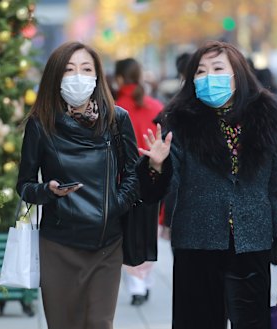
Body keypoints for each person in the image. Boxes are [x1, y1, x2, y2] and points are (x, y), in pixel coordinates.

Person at [135, 41, 277, 329]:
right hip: (197, 244)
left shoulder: (264, 119)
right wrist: (157, 166)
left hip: (251, 243)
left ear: (237, 74)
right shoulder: (180, 123)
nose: (209, 77)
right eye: (200, 72)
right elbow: (161, 188)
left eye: (217, 69)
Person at [16, 41, 139, 329]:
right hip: (59, 244)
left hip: (106, 243)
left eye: (86, 69)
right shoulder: (40, 123)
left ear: (97, 76)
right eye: (69, 70)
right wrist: (48, 191)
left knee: (99, 323)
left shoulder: (116, 119)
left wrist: (114, 205)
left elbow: (133, 175)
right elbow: (24, 185)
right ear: (55, 77)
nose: (78, 77)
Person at [114, 57, 164, 306]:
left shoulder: (113, 107)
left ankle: (135, 286)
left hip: (122, 182)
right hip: (151, 179)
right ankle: (144, 282)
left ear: (120, 78)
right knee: (148, 231)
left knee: (127, 233)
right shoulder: (155, 106)